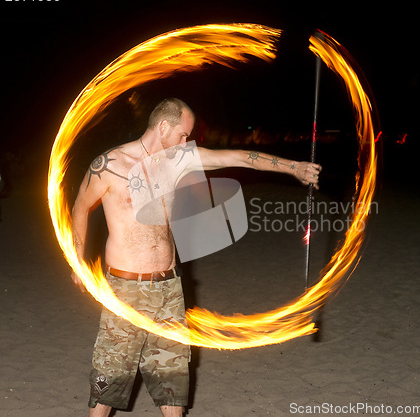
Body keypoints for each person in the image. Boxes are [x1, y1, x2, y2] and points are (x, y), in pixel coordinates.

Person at [71, 98, 321, 417]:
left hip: (169, 287)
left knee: (173, 372)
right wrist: (78, 261)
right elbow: (80, 207)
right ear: (163, 127)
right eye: (183, 134)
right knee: (111, 371)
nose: (186, 142)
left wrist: (294, 168)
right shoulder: (109, 165)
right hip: (126, 289)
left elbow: (239, 157)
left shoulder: (177, 160)